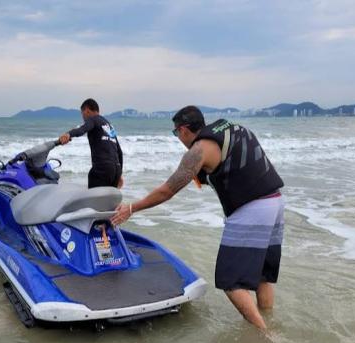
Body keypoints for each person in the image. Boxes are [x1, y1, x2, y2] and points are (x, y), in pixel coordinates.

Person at [111, 106, 284, 330]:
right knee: (262, 276)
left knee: (230, 281)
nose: (178, 138)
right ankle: (269, 320)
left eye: (176, 133)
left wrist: (131, 208)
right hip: (276, 201)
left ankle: (264, 334)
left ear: (183, 130)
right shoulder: (231, 127)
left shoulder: (199, 149)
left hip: (253, 207)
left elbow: (168, 190)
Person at [59, 98, 124, 189]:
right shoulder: (108, 125)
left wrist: (69, 134)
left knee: (93, 201)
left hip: (102, 168)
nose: (83, 117)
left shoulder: (93, 119)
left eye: (82, 113)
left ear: (87, 110)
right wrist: (119, 174)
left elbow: (82, 129)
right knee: (108, 202)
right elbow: (119, 151)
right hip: (115, 170)